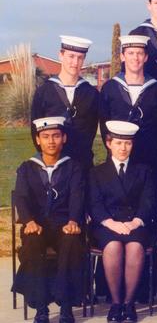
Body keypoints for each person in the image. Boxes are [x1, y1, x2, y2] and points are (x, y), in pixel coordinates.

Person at [12, 117, 86, 323]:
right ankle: (41, 307)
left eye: (56, 136)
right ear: (38, 140)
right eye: (45, 137)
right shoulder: (27, 168)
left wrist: (73, 220)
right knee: (33, 244)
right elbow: (21, 197)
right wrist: (28, 221)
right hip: (36, 225)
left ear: (64, 138)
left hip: (64, 224)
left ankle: (66, 306)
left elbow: (77, 197)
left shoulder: (74, 167)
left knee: (72, 242)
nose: (51, 141)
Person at [89, 121, 155, 322]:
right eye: (118, 143)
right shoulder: (97, 172)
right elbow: (95, 204)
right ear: (109, 144)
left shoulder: (143, 170)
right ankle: (116, 304)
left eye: (127, 144)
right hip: (107, 225)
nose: (123, 148)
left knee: (135, 247)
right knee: (113, 247)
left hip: (135, 224)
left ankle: (129, 303)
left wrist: (136, 222)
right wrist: (112, 223)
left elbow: (148, 200)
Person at [31, 35, 98, 170]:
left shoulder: (91, 93)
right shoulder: (44, 92)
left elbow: (91, 129)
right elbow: (35, 131)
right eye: (71, 56)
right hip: (53, 164)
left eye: (80, 58)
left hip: (82, 164)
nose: (75, 62)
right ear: (61, 55)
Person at [99, 35, 157, 169]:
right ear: (122, 56)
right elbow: (104, 123)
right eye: (131, 53)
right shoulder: (110, 87)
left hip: (148, 158)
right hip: (117, 156)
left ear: (146, 57)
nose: (135, 58)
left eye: (140, 53)